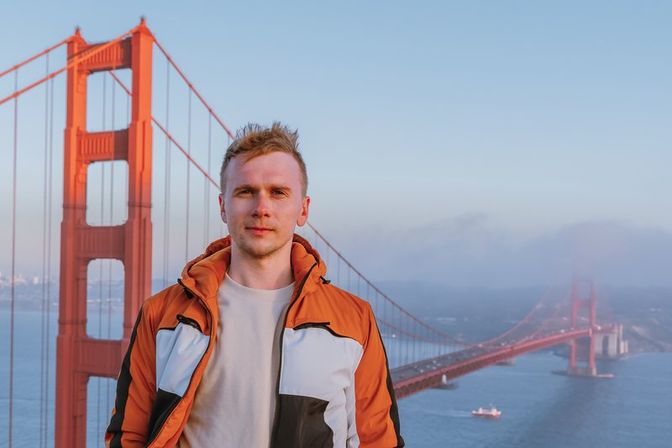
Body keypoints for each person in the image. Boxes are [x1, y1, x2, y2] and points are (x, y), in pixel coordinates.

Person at [105, 122, 404, 447]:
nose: (262, 208)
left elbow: (378, 441)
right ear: (223, 206)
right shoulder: (161, 314)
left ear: (303, 209)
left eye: (278, 192)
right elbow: (129, 436)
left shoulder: (355, 321)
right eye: (246, 192)